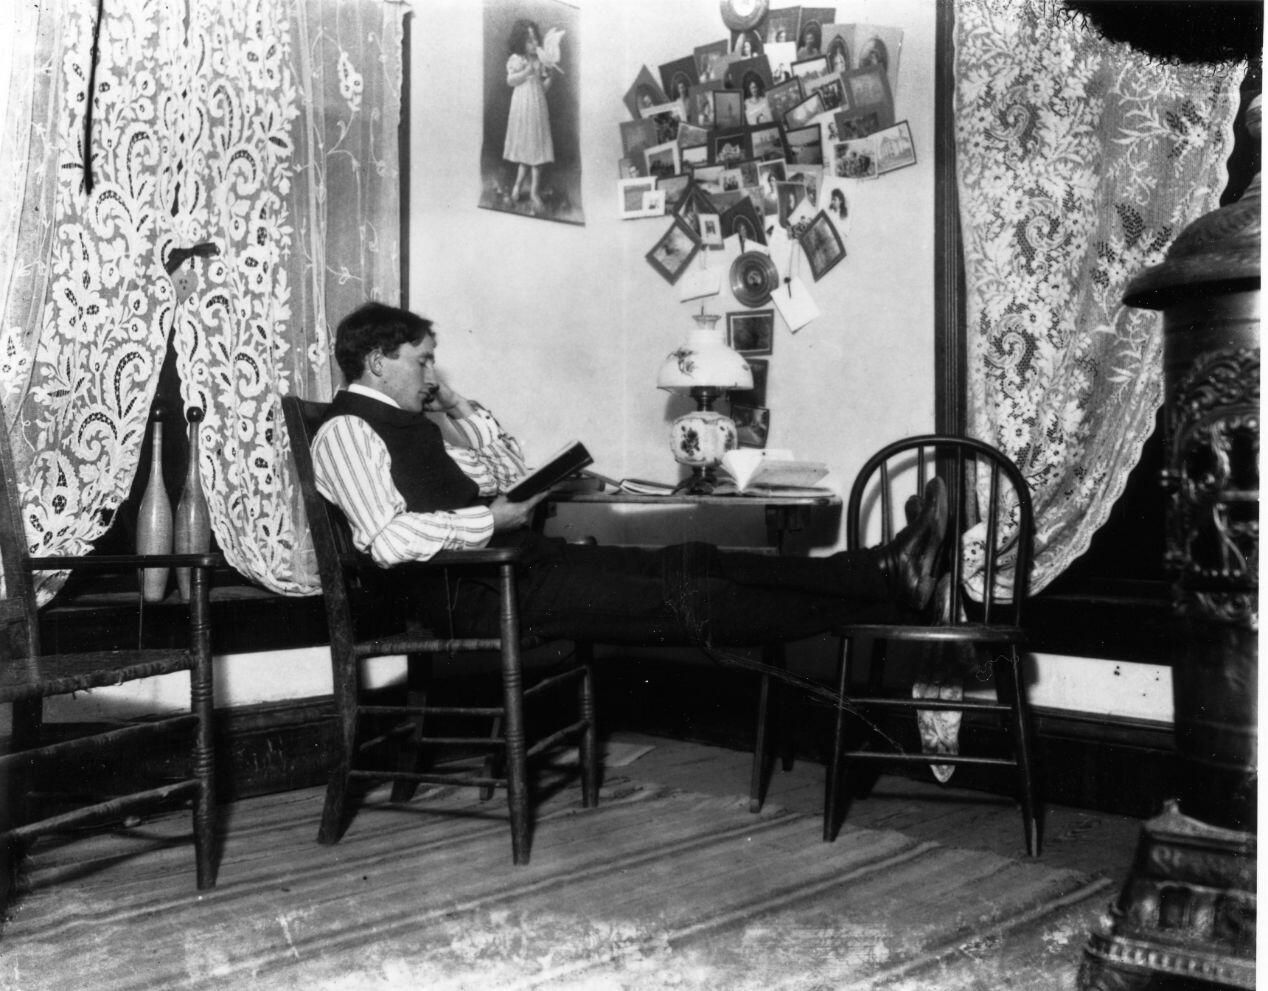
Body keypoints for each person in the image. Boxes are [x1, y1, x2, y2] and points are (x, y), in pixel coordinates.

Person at [312, 303, 950, 646]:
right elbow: (387, 540)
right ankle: (889, 588)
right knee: (695, 598)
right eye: (422, 362)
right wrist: (492, 520)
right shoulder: (346, 432)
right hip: (477, 597)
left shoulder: (419, 428)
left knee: (694, 558)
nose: (432, 376)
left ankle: (881, 570)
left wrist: (457, 408)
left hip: (520, 569)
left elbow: (508, 475)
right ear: (377, 362)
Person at [503, 19, 555, 214]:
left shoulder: (539, 61)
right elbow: (510, 81)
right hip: (522, 109)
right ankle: (517, 185)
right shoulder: (517, 59)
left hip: (537, 108)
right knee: (526, 152)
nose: (535, 43)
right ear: (520, 42)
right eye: (529, 40)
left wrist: (550, 77)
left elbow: (542, 89)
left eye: (535, 39)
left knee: (537, 153)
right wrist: (526, 71)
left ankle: (534, 192)